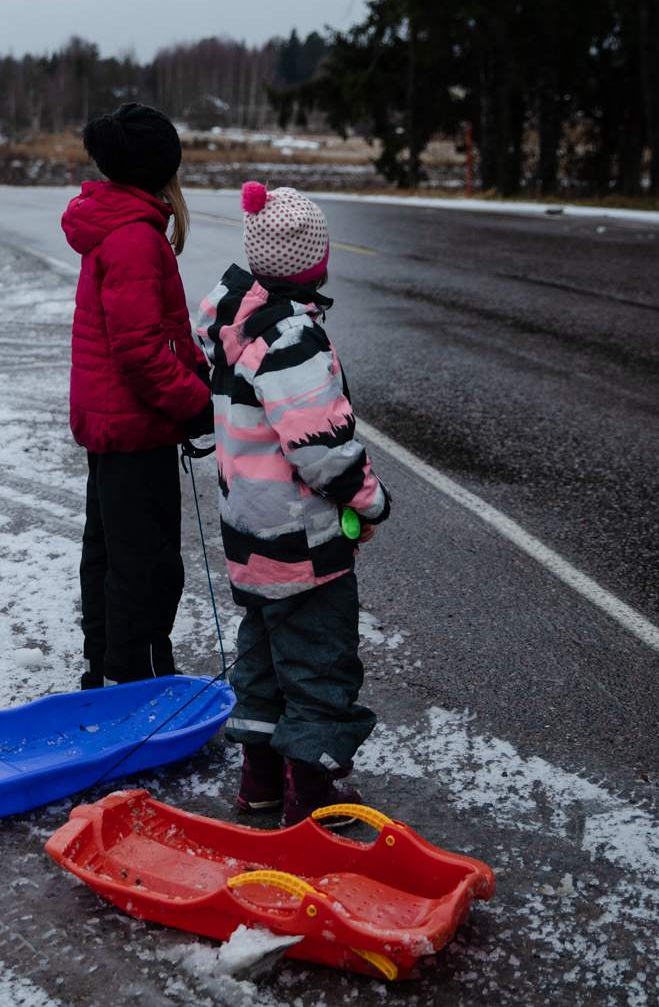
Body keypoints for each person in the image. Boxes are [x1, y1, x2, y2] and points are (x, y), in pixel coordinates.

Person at [190, 181, 390, 826]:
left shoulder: (232, 319)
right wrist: (371, 499)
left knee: (265, 653)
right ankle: (314, 800)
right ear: (316, 262)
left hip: (247, 527)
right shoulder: (291, 338)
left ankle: (260, 787)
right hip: (303, 537)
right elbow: (320, 448)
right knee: (319, 662)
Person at [63, 103, 212, 689]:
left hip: (116, 427)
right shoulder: (133, 238)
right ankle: (132, 685)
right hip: (134, 427)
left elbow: (163, 332)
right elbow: (142, 354)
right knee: (144, 566)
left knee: (111, 557)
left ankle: (107, 673)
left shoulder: (119, 223)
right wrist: (197, 405)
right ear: (159, 169)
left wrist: (200, 374)